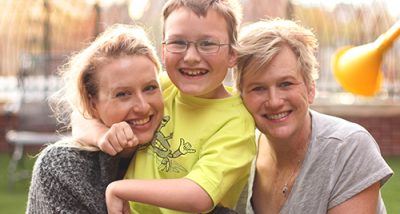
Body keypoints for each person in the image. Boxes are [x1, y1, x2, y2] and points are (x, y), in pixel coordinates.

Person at [72, 0, 256, 213]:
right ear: (164, 49)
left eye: (207, 44)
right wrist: (103, 136)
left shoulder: (235, 122)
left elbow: (198, 196)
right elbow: (80, 116)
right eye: (178, 43)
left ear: (233, 54)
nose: (192, 57)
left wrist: (121, 189)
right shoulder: (160, 88)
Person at [233, 19, 393, 214]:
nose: (274, 101)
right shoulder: (240, 152)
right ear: (241, 96)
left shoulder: (348, 147)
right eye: (258, 88)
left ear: (310, 89)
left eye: (286, 84)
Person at [26, 24, 164, 213]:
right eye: (123, 94)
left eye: (150, 88)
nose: (142, 106)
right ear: (93, 104)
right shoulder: (62, 168)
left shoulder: (182, 139)